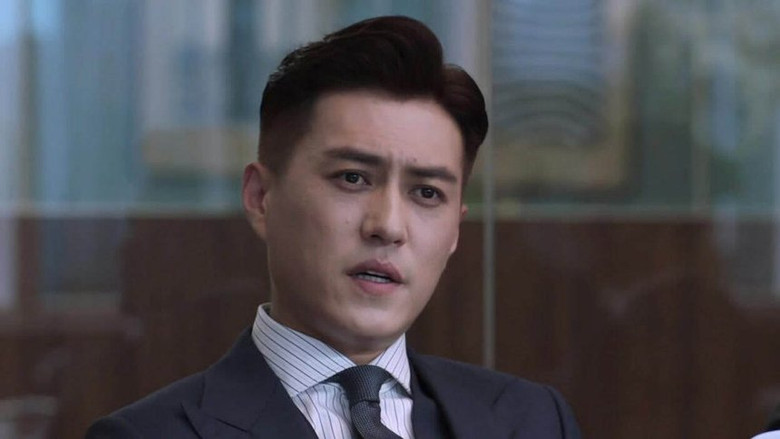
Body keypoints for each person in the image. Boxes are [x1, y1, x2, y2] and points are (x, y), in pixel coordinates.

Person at [86, 16, 580, 439]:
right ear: (261, 198)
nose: (388, 226)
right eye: (352, 178)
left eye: (427, 193)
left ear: (455, 231)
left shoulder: (533, 421)